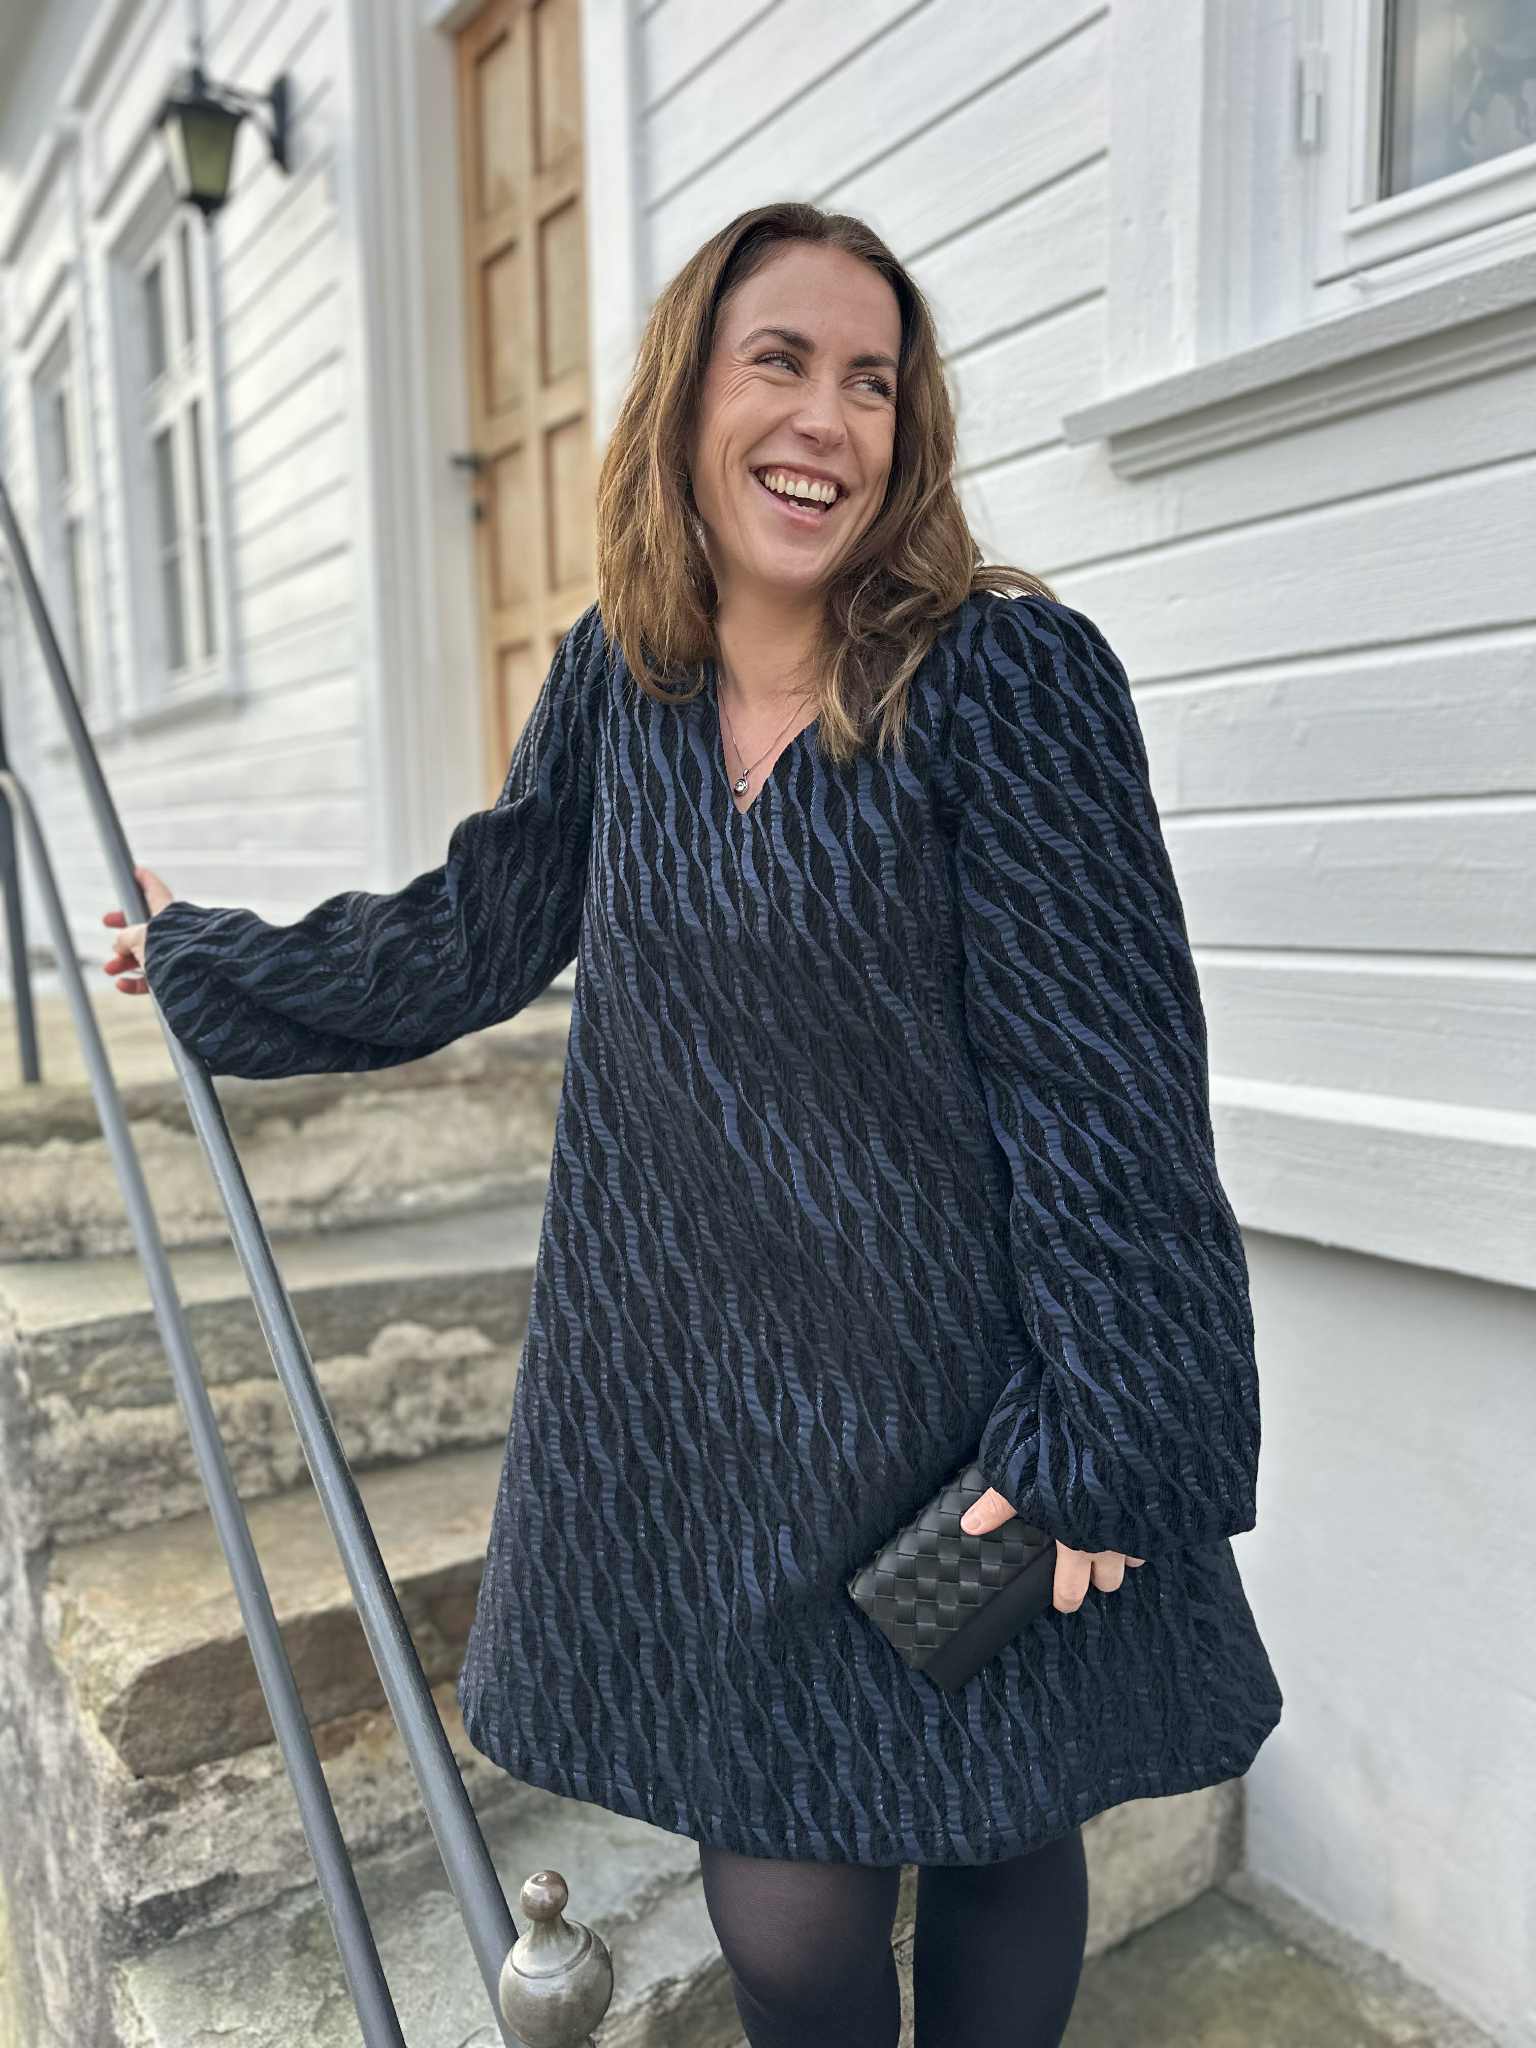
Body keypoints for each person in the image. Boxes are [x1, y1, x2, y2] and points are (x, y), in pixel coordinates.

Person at [103, 201, 1282, 2048]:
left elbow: (1112, 1082)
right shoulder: (621, 682)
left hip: (967, 1397)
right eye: (780, 362)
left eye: (872, 383)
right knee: (790, 1914)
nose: (827, 419)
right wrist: (210, 960)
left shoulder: (1005, 679)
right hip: (721, 1428)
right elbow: (472, 927)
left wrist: (1108, 1429)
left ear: (908, 434)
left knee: (1000, 1826)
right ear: (688, 401)